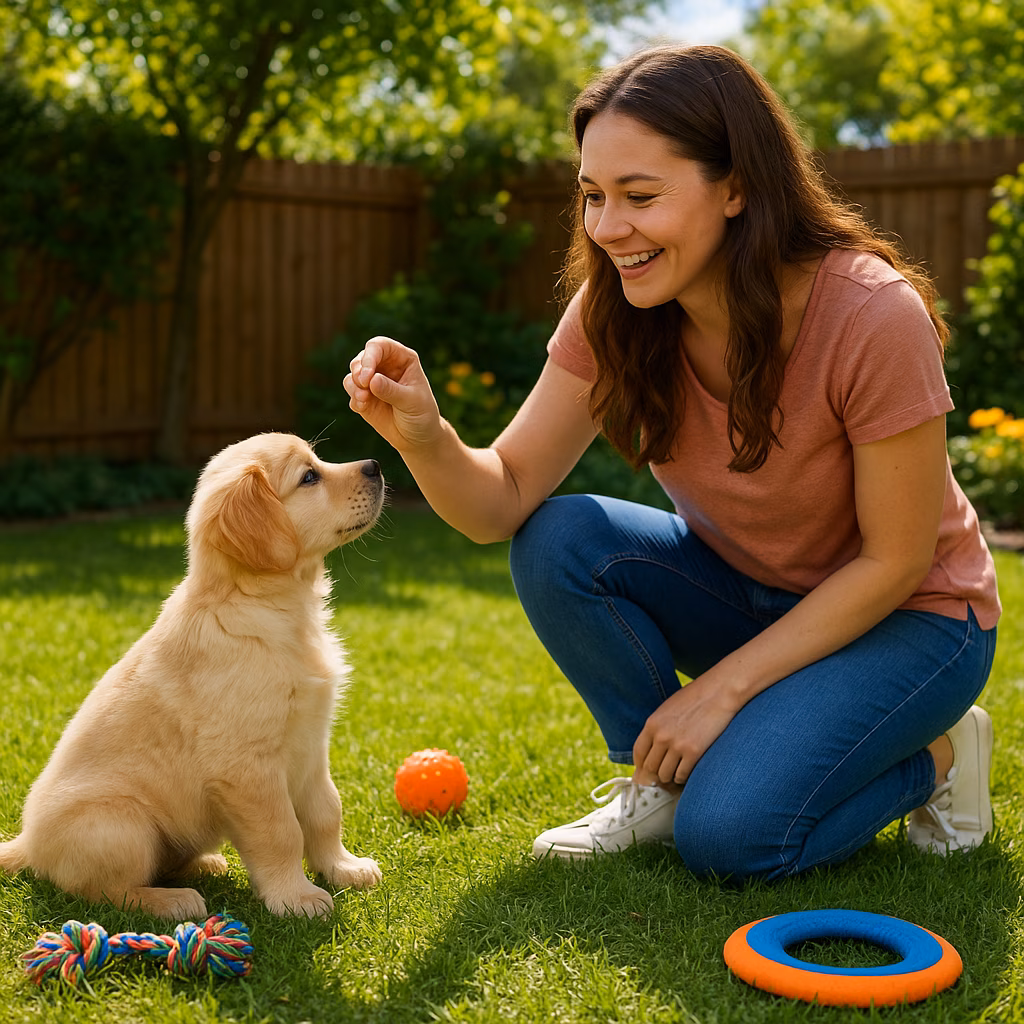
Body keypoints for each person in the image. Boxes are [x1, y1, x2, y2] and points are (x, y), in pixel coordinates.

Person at [344, 44, 1000, 882]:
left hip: (915, 621)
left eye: (639, 196)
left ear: (737, 188)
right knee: (561, 537)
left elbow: (896, 560)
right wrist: (424, 433)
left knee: (732, 839)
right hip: (756, 594)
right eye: (592, 196)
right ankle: (658, 782)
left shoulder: (872, 315)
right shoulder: (617, 306)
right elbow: (501, 502)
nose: (607, 229)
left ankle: (940, 752)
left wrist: (718, 691)